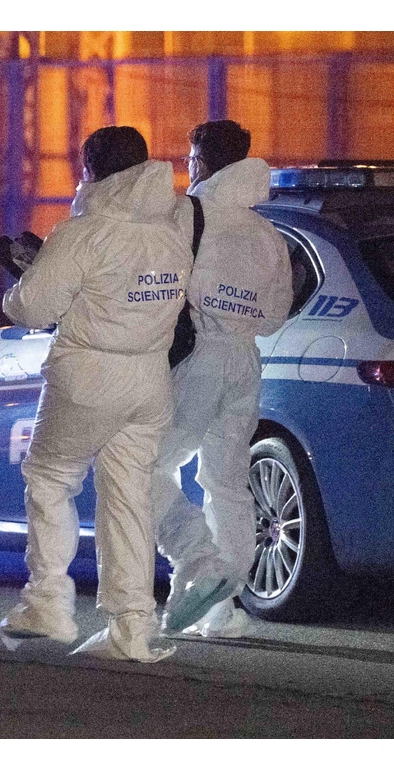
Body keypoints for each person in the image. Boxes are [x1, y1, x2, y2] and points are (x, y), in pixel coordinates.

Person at [0, 126, 193, 662]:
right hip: (150, 380)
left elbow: (32, 308)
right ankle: (131, 629)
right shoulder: (171, 232)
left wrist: (22, 283)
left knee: (50, 478)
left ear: (92, 172)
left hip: (88, 376)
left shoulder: (83, 234)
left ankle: (47, 604)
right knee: (129, 497)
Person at [152, 120, 292, 638]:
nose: (188, 169)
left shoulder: (187, 214)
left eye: (190, 160)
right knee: (227, 482)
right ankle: (223, 608)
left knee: (141, 465)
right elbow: (275, 316)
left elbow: (157, 285)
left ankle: (198, 562)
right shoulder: (267, 234)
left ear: (204, 163)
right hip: (246, 362)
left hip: (200, 358)